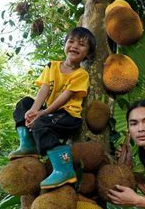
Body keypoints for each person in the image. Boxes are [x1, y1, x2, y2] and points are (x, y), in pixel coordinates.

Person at [8, 27, 96, 190]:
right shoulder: (52, 66)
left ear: (88, 54)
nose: (75, 46)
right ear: (65, 45)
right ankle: (28, 145)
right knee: (24, 104)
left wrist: (43, 113)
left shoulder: (81, 75)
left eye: (82, 44)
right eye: (71, 41)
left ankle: (64, 169)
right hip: (49, 114)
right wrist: (34, 110)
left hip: (67, 117)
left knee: (40, 123)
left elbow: (66, 96)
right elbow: (44, 89)